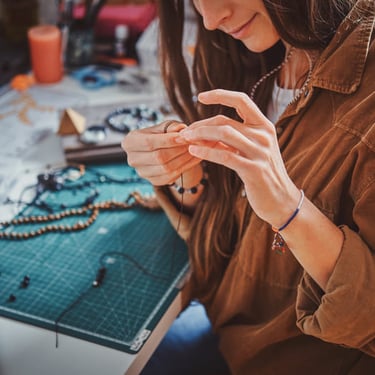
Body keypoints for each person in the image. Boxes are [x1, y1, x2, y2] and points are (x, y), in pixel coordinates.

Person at [122, 0, 375, 374]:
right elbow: (236, 244)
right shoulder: (264, 54)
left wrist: (289, 209)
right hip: (227, 337)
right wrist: (186, 177)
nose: (210, 20)